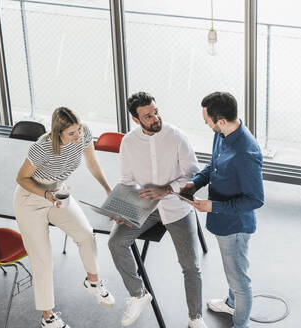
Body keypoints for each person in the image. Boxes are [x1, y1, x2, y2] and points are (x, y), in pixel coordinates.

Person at [108, 92, 207, 328]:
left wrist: (167, 189)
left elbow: (194, 175)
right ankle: (138, 294)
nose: (155, 118)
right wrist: (122, 207)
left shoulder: (176, 136)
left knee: (190, 266)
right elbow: (127, 181)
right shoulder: (128, 143)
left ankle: (195, 317)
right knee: (115, 242)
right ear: (135, 119)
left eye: (155, 112)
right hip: (145, 206)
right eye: (147, 116)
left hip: (177, 207)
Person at [13, 107, 115, 328]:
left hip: (58, 193)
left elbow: (91, 161)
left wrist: (107, 189)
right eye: (72, 133)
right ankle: (48, 317)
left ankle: (93, 282)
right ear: (58, 133)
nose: (78, 136)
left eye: (78, 129)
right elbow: (21, 178)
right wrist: (45, 194)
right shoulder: (42, 148)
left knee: (86, 234)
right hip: (31, 198)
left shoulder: (83, 134)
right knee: (43, 260)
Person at [180, 92, 264, 328]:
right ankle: (230, 303)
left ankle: (241, 324)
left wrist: (213, 206)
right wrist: (195, 183)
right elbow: (214, 164)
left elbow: (256, 199)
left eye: (207, 120)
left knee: (238, 278)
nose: (206, 123)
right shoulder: (223, 134)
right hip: (222, 220)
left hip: (234, 226)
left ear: (221, 121)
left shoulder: (246, 154)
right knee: (235, 268)